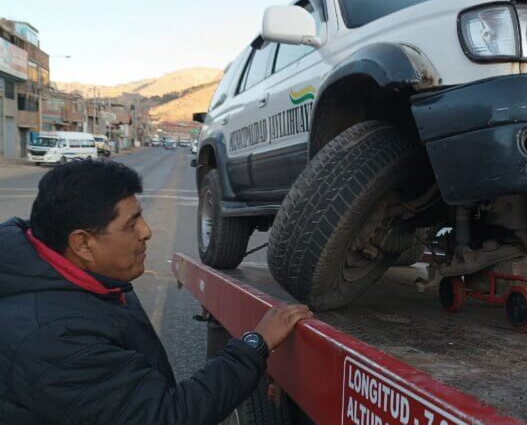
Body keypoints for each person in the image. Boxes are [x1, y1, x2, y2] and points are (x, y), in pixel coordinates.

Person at [0, 159, 311, 424]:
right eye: (130, 225)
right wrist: (255, 345)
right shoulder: (56, 340)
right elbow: (165, 416)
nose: (146, 232)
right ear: (82, 243)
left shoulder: (79, 272)